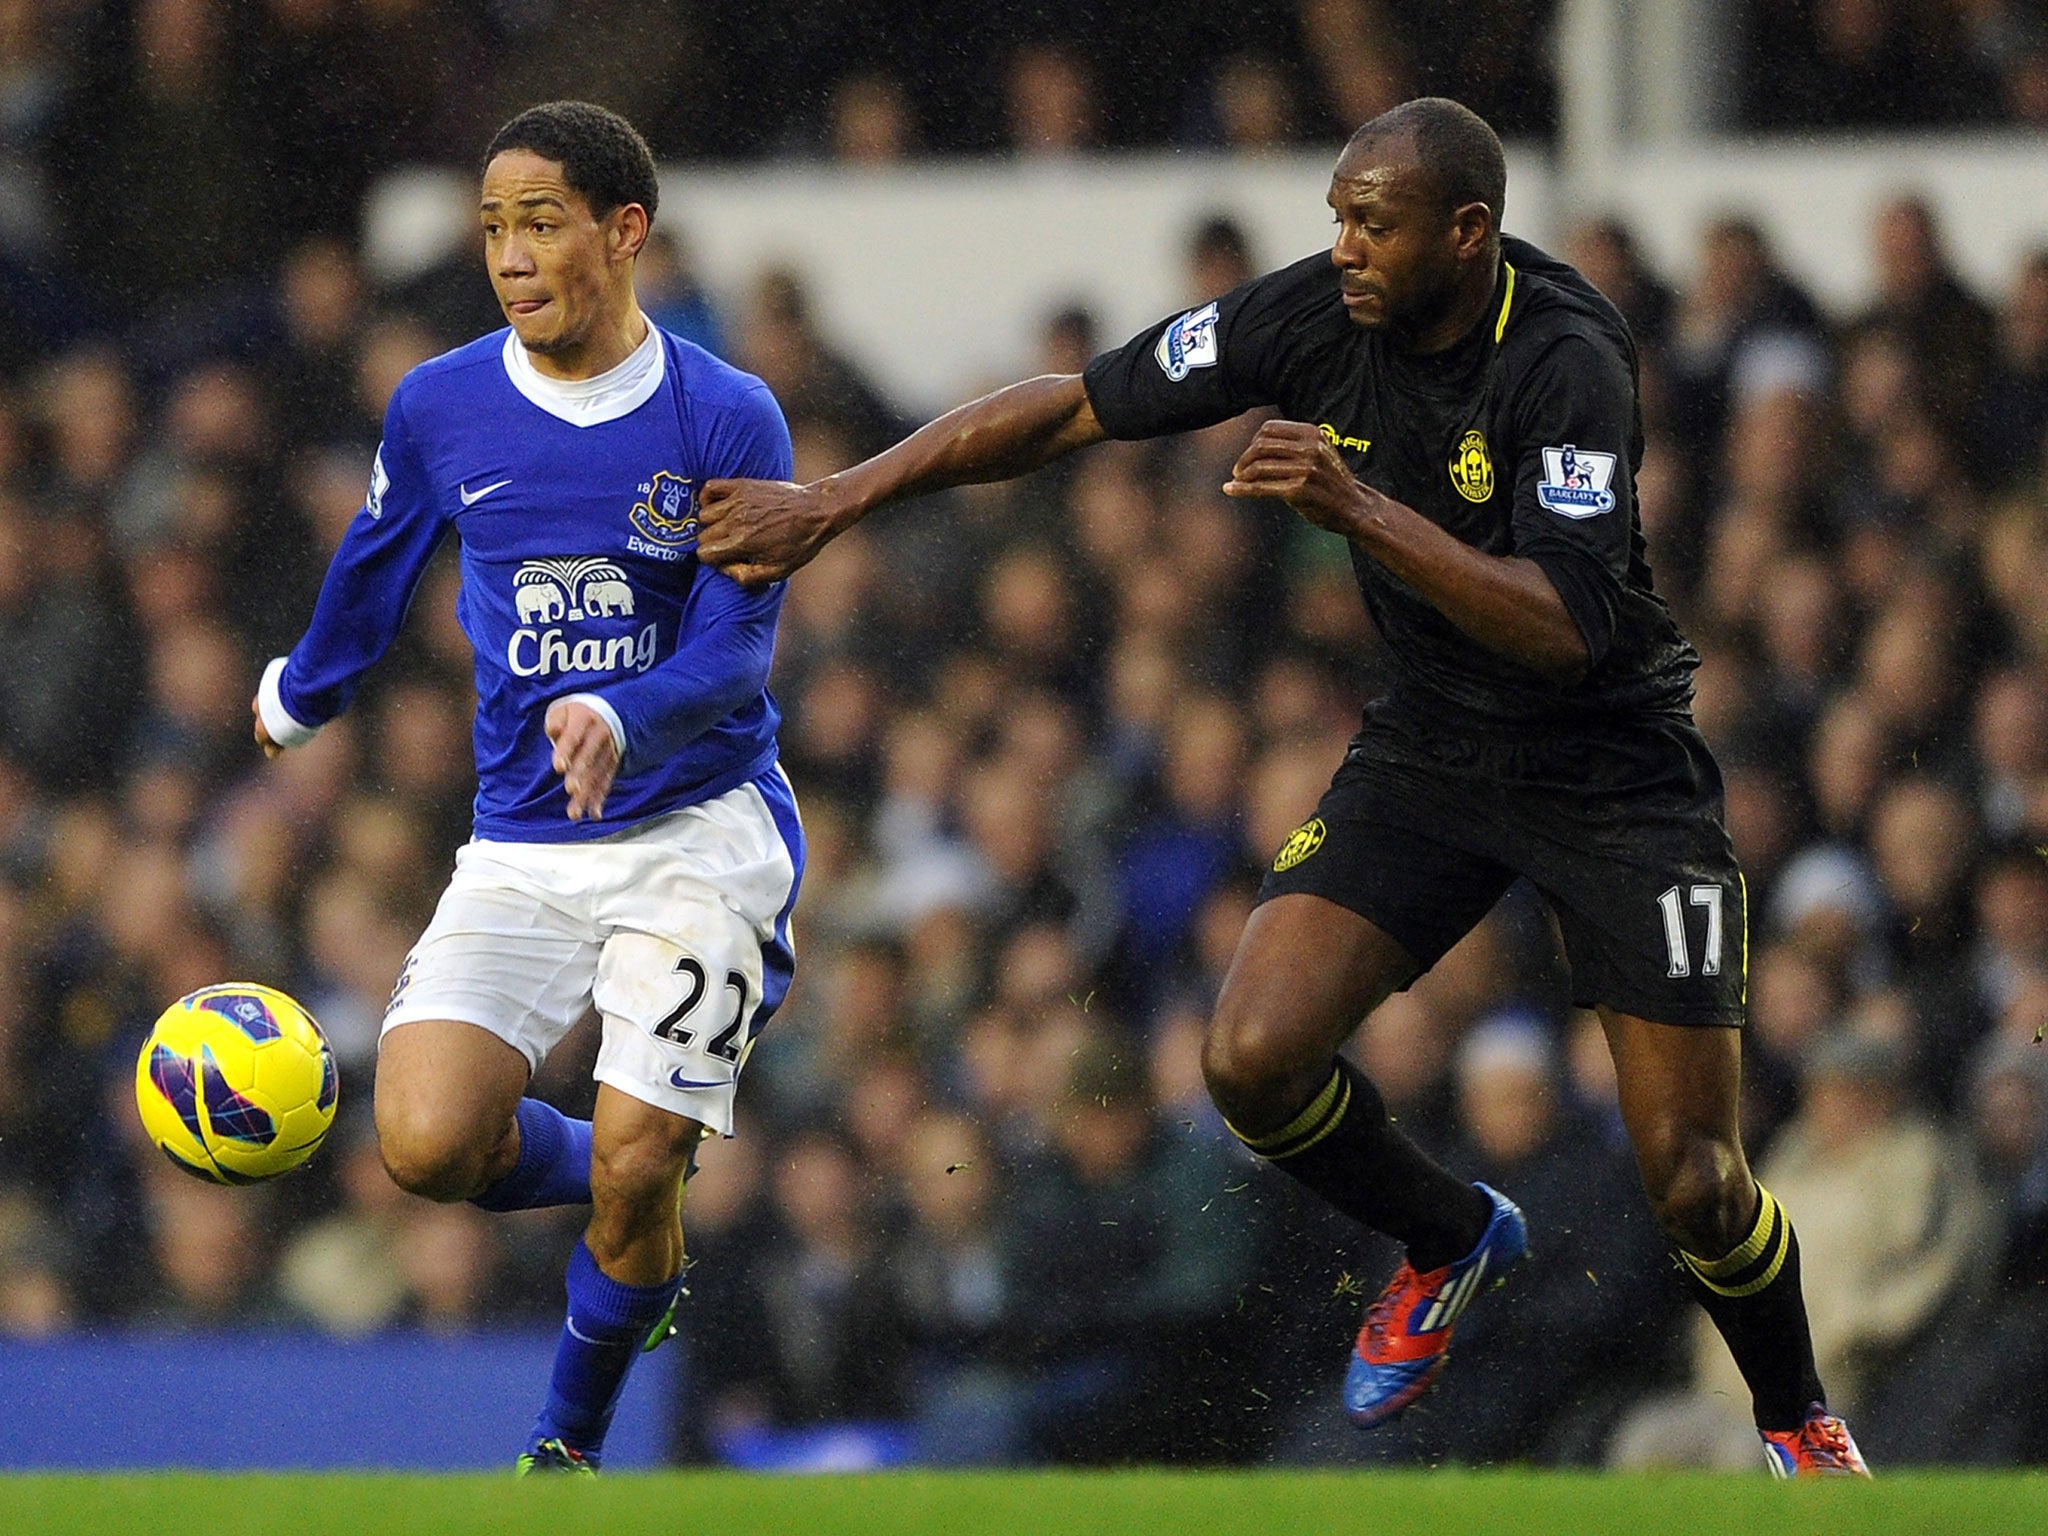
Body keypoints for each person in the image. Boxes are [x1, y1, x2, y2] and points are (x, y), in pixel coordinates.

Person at [694, 96, 1867, 1476]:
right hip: (1435, 750)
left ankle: (1800, 1417)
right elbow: (1070, 407)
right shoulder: (1309, 316)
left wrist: (1361, 508)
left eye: (1372, 223)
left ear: (1468, 231)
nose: (1345, 246)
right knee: (1249, 1058)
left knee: (1696, 1181)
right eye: (1336, 216)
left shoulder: (1565, 358)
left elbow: (1569, 626)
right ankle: (1445, 1234)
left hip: (1613, 773)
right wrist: (837, 499)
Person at [251, 101, 804, 1475]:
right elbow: (376, 562)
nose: (510, 254)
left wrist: (626, 708)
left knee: (628, 1164)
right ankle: (651, 1158)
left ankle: (562, 1452)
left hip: (698, 835)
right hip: (521, 840)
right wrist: (303, 690)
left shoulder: (722, 412)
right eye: (494, 226)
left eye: (541, 221)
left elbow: (739, 652)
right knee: (427, 1144)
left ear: (624, 233)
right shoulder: (442, 402)